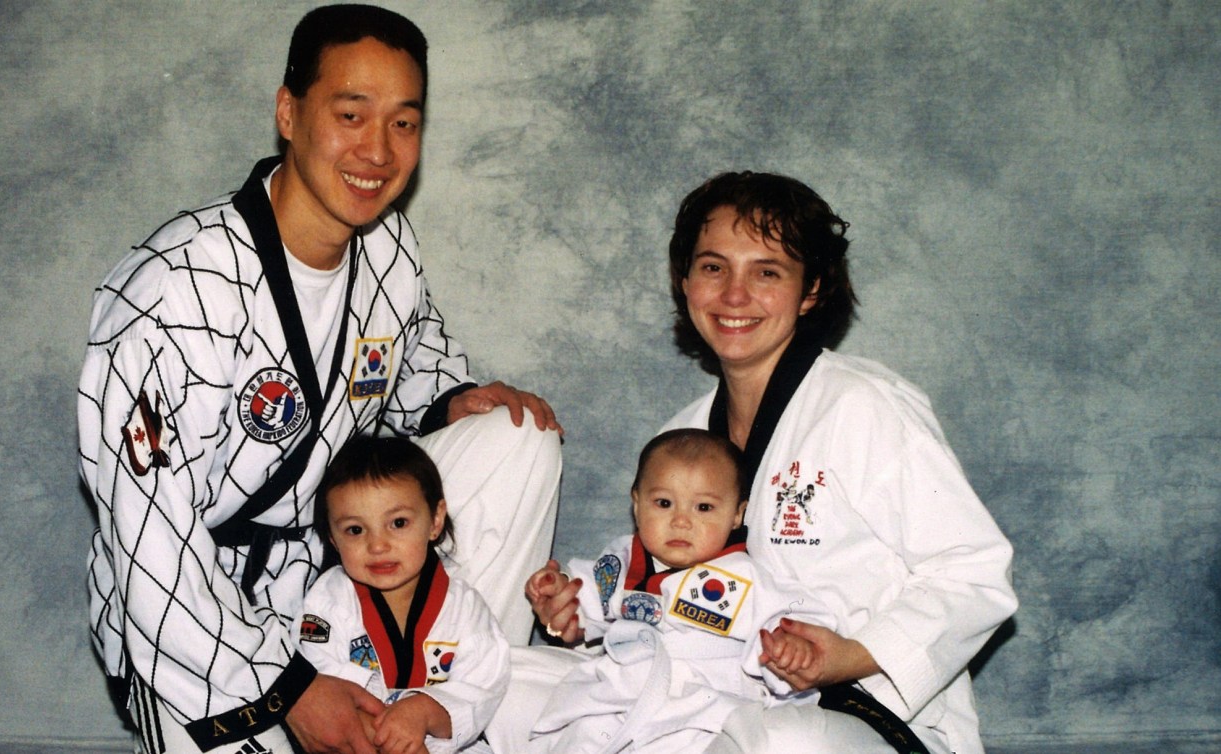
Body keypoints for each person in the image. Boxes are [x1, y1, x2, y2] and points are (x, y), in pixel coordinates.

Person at [78, 6, 561, 754]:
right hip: (200, 603)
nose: (378, 149)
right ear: (288, 113)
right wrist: (288, 686)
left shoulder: (386, 245)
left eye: (404, 122)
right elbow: (147, 536)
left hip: (341, 560)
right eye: (350, 114)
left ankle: (450, 688)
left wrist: (451, 399)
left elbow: (406, 361)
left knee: (517, 438)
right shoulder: (176, 290)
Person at [527, 172, 1017, 754]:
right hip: (709, 701)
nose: (735, 296)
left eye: (767, 272)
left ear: (810, 290)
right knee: (510, 681)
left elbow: (974, 574)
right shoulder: (681, 438)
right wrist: (578, 619)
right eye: (713, 267)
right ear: (684, 281)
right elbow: (658, 595)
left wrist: (849, 656)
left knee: (780, 742)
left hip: (859, 715)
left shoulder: (864, 406)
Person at [524, 428, 835, 753]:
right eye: (664, 503)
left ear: (736, 514)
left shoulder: (743, 575)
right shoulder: (623, 559)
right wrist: (558, 591)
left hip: (705, 703)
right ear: (637, 503)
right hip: (623, 689)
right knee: (580, 731)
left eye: (703, 508)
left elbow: (793, 615)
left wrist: (794, 647)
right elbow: (584, 594)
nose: (681, 521)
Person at [295, 436, 509, 754]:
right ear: (334, 538)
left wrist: (423, 711)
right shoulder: (328, 601)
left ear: (435, 521)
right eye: (355, 529)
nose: (378, 545)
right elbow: (317, 676)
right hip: (355, 740)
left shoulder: (464, 607)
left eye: (398, 523)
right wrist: (377, 732)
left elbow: (484, 684)